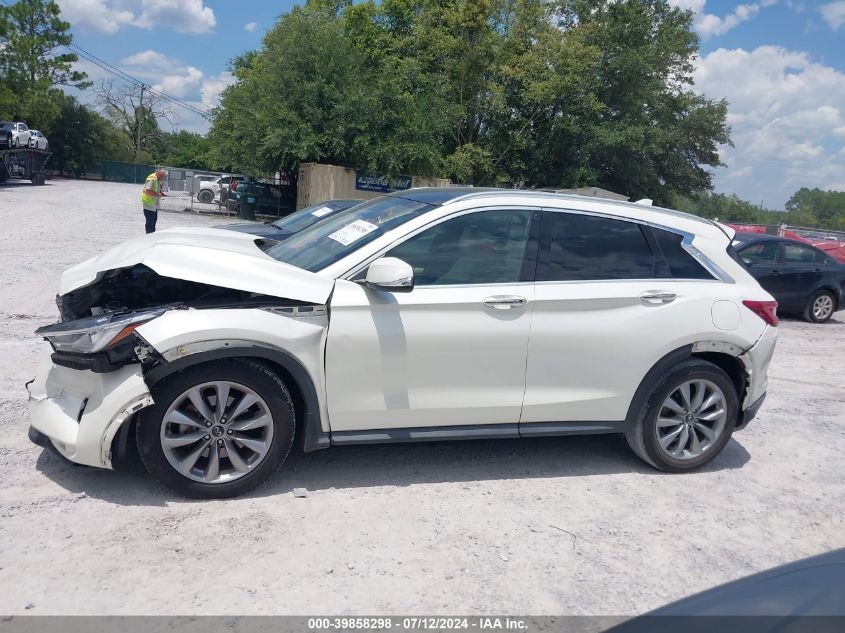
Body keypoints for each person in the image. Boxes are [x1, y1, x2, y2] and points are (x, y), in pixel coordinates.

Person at [141, 168, 167, 233]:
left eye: (164, 177)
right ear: (158, 174)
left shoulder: (157, 179)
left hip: (153, 205)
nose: (163, 178)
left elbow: (156, 189)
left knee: (153, 222)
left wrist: (161, 193)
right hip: (148, 204)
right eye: (162, 176)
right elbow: (147, 191)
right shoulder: (151, 179)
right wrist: (158, 195)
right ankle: (149, 237)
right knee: (150, 224)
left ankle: (151, 236)